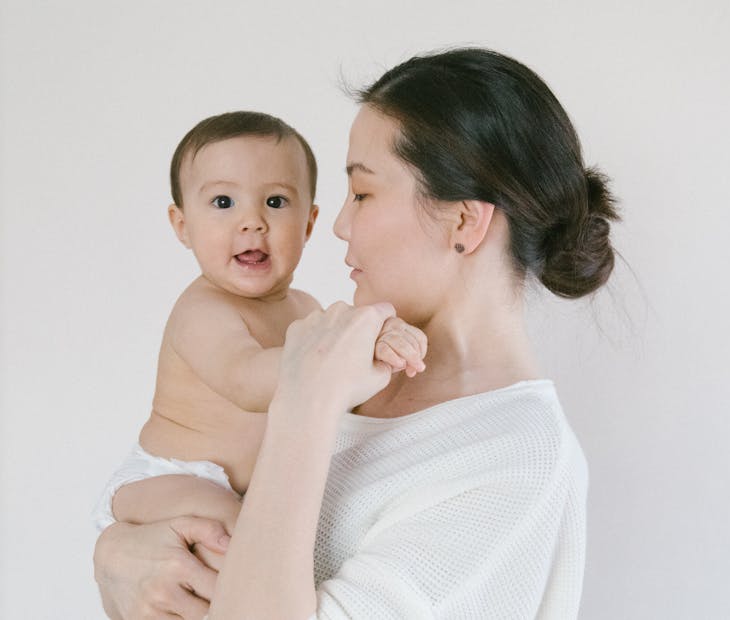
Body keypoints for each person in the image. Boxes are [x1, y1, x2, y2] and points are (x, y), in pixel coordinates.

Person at [93, 47, 619, 619]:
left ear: (465, 221)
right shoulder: (350, 368)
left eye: (363, 193)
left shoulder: (514, 463)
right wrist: (114, 552)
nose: (339, 225)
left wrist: (305, 404)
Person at [91, 110, 429, 532]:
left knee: (267, 531)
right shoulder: (203, 312)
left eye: (275, 202)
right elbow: (247, 381)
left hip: (245, 489)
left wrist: (381, 338)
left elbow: (342, 387)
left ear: (308, 224)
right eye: (223, 203)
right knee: (247, 534)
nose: (252, 222)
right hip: (172, 476)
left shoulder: (306, 308)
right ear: (183, 226)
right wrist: (349, 345)